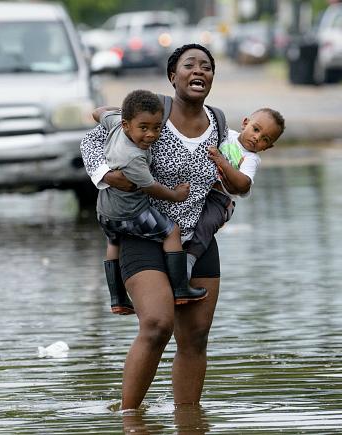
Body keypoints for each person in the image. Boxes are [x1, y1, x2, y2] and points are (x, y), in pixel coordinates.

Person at [79, 43, 227, 410]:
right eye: (189, 65)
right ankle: (130, 419)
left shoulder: (219, 122)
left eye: (206, 67)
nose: (198, 71)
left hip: (196, 241)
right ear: (171, 75)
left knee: (195, 338)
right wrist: (107, 176)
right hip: (142, 233)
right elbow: (92, 138)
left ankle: (189, 421)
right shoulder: (150, 109)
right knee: (158, 324)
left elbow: (227, 179)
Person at [93, 89, 207, 313]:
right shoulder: (133, 156)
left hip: (105, 212)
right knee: (172, 232)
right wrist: (175, 195)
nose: (151, 135)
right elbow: (151, 187)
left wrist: (117, 112)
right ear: (127, 125)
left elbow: (98, 112)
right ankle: (180, 288)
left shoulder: (115, 122)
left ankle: (117, 300)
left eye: (157, 128)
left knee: (113, 242)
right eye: (143, 128)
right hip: (131, 213)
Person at [183, 107, 285, 276]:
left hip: (219, 199)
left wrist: (221, 161)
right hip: (200, 186)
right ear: (245, 123)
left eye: (265, 139)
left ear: (267, 147)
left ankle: (190, 259)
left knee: (208, 223)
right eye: (256, 129)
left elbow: (243, 184)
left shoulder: (251, 159)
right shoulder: (226, 135)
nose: (257, 137)